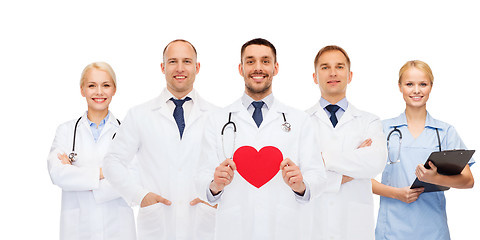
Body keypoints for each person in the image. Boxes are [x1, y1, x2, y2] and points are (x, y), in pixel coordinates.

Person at [196, 38, 326, 240]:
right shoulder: (217, 120)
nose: (258, 68)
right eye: (250, 61)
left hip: (284, 229)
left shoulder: (300, 120)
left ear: (275, 68)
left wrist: (301, 185)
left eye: (265, 61)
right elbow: (201, 177)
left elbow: (318, 175)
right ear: (241, 68)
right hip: (235, 229)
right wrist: (215, 184)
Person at [103, 39, 217, 240]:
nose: (180, 68)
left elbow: (235, 167)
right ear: (163, 67)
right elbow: (113, 162)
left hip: (204, 223)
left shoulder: (218, 116)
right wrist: (140, 196)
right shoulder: (139, 115)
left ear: (197, 67)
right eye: (173, 61)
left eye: (187, 61)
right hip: (157, 224)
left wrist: (216, 197)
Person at [372, 60, 475, 240]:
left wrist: (435, 178)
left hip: (433, 230)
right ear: (400, 87)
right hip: (392, 230)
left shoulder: (444, 132)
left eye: (423, 84)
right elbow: (359, 178)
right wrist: (396, 193)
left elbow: (468, 181)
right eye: (409, 84)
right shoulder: (383, 129)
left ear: (431, 87)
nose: (416, 90)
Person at [47, 62, 136, 240]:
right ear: (82, 90)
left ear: (114, 90)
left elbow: (132, 178)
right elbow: (57, 174)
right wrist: (105, 172)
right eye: (92, 86)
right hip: (77, 229)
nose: (99, 92)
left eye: (106, 85)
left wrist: (77, 176)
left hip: (118, 230)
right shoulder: (66, 131)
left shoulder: (129, 132)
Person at [306, 45, 387, 240]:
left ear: (350, 75)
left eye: (339, 67)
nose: (333, 73)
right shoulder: (300, 122)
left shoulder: (369, 121)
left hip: (355, 229)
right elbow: (300, 175)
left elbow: (376, 162)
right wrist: (353, 169)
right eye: (325, 67)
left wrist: (323, 160)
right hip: (312, 227)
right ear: (315, 77)